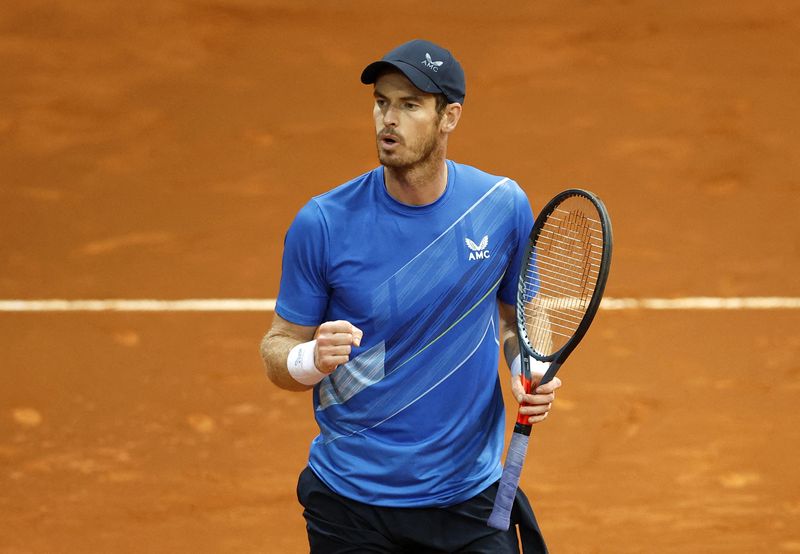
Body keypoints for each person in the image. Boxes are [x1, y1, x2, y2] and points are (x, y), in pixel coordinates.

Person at [260, 38, 562, 553]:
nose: (387, 121)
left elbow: (517, 317)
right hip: (352, 502)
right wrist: (311, 358)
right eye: (381, 102)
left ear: (450, 117)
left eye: (409, 105)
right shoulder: (324, 223)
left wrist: (527, 363)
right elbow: (277, 348)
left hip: (467, 497)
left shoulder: (501, 206)